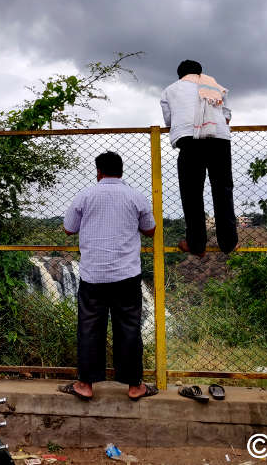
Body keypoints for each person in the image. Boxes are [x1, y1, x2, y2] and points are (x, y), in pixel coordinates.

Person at [58, 151, 158, 401]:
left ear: (98, 171)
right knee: (129, 328)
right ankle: (135, 386)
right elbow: (150, 229)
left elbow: (69, 228)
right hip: (126, 276)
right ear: (122, 172)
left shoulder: (85, 195)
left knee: (90, 328)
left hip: (93, 276)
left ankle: (86, 385)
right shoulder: (136, 196)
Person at [160, 59, 238, 257]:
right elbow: (227, 118)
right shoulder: (216, 87)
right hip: (219, 138)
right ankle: (229, 242)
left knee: (192, 193)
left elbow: (169, 121)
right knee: (223, 190)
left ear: (180, 75)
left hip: (190, 139)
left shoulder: (170, 90)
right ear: (200, 73)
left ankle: (196, 244)